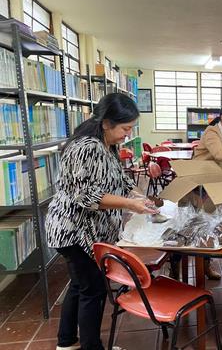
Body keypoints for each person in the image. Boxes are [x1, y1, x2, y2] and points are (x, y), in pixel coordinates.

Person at [46, 93, 158, 350]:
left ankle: (66, 341)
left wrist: (139, 196)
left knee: (79, 285)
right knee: (93, 290)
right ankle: (91, 346)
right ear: (107, 122)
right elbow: (85, 196)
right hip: (74, 231)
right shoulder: (87, 147)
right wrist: (131, 204)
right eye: (125, 128)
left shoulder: (106, 144)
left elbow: (120, 179)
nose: (127, 135)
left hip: (82, 231)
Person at [186, 102, 222, 280]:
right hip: (198, 183)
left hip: (213, 183)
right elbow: (219, 154)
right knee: (196, 224)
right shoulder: (212, 132)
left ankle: (206, 265)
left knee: (210, 224)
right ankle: (182, 265)